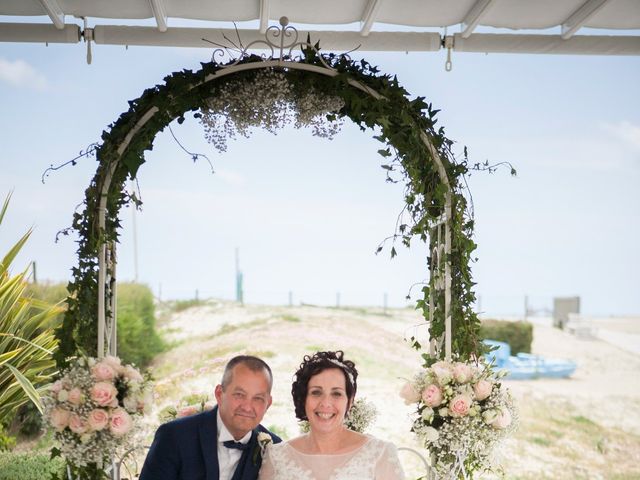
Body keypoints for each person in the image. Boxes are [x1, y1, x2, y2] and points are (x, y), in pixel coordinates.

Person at [259, 351, 405, 480]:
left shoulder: (379, 455)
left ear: (350, 401)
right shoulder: (276, 457)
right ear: (304, 398)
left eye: (336, 393)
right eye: (316, 392)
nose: (326, 403)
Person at [140, 355, 282, 480]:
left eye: (257, 398)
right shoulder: (175, 436)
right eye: (239, 395)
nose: (247, 407)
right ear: (219, 394)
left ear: (268, 404)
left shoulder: (275, 449)